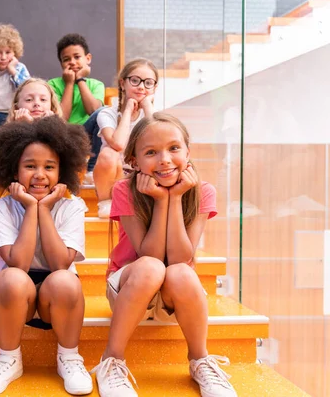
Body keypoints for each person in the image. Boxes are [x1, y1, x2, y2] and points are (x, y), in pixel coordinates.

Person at [90, 112, 237, 397]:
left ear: (188, 152)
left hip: (175, 296)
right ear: (134, 161)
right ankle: (112, 360)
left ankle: (200, 360)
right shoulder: (124, 190)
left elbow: (181, 258)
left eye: (173, 148)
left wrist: (178, 197)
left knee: (181, 271)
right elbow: (151, 255)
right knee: (150, 268)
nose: (165, 160)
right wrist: (161, 201)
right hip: (130, 289)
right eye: (150, 152)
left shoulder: (202, 191)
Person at [0, 117, 94, 396]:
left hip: (58, 296)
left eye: (49, 167)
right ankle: (8, 357)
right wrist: (32, 208)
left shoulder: (72, 207)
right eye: (30, 166)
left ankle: (69, 357)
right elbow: (19, 263)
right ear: (14, 171)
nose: (40, 174)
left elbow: (60, 264)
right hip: (15, 297)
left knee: (65, 279)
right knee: (12, 277)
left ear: (62, 171)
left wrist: (45, 209)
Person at [93, 58, 158, 218]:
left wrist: (148, 108)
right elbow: (118, 144)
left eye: (148, 83)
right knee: (109, 153)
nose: (142, 87)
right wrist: (128, 110)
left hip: (141, 177)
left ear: (154, 87)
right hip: (113, 177)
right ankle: (106, 202)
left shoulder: (154, 116)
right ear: (123, 83)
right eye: (135, 81)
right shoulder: (107, 113)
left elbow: (159, 141)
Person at [48, 33, 105, 180]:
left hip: (88, 135)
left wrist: (80, 80)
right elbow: (61, 118)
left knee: (103, 113)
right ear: (61, 64)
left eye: (77, 57)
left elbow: (93, 111)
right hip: (64, 134)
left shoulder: (96, 84)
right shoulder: (53, 84)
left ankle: (91, 170)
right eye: (66, 59)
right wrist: (68, 84)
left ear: (88, 58)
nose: (72, 62)